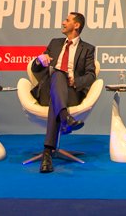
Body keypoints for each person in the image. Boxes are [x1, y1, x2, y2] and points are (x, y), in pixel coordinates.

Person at [30, 11, 97, 173]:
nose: (63, 22)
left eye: (67, 20)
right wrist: (39, 60)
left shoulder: (88, 49)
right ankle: (65, 118)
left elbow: (91, 75)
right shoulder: (54, 43)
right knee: (58, 74)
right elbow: (35, 68)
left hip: (70, 92)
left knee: (56, 98)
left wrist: (75, 81)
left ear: (76, 25)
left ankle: (47, 152)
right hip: (48, 89)